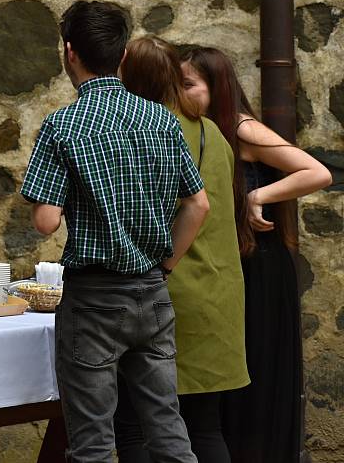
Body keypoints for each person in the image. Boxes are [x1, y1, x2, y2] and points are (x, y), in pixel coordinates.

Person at [21, 1, 209, 462]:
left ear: (69, 53)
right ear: (123, 55)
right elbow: (198, 205)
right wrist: (166, 265)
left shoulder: (63, 125)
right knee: (167, 427)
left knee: (93, 443)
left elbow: (46, 220)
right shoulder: (161, 119)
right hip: (151, 290)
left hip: (94, 298)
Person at [181, 47, 332, 463]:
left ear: (218, 88)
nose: (180, 93)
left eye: (190, 85)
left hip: (259, 269)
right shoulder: (200, 132)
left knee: (256, 378)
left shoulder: (242, 129)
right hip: (231, 269)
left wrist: (256, 195)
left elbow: (316, 172)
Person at [112, 36, 250, 462]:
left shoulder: (149, 132)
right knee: (205, 427)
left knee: (134, 425)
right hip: (219, 293)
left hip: (168, 291)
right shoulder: (212, 132)